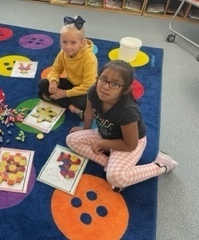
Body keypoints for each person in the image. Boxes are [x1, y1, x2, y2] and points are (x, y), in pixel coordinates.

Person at [66, 60, 178, 192]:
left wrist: (102, 144)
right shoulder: (93, 92)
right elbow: (89, 114)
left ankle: (160, 165)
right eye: (103, 79)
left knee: (116, 178)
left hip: (128, 143)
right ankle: (110, 164)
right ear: (97, 79)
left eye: (115, 84)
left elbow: (131, 144)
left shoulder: (127, 111)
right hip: (105, 133)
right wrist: (84, 129)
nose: (106, 87)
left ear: (125, 90)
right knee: (71, 139)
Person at [37, 16, 98, 119]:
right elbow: (55, 70)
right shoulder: (63, 53)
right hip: (72, 83)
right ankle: (71, 108)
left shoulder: (89, 59)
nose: (68, 47)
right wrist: (53, 81)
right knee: (42, 84)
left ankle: (67, 104)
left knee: (82, 103)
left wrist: (65, 94)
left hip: (85, 90)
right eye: (64, 42)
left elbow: (88, 86)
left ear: (82, 43)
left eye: (73, 43)